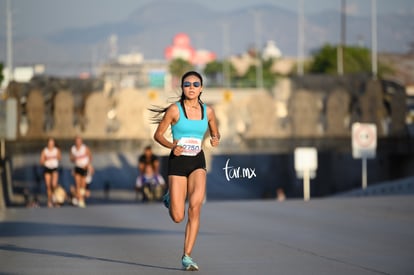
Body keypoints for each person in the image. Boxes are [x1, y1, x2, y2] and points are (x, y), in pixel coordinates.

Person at [152, 71, 220, 271]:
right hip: (178, 162)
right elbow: (158, 135)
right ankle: (170, 197)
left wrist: (215, 138)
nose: (191, 87)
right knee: (178, 216)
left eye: (195, 84)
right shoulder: (174, 110)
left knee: (196, 207)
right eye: (187, 84)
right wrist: (171, 146)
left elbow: (215, 133)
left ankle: (187, 256)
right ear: (182, 87)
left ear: (201, 88)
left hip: (197, 161)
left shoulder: (208, 112)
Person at [70, 136, 92, 208]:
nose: (78, 142)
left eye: (79, 141)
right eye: (77, 141)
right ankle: (80, 200)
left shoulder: (85, 148)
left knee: (83, 186)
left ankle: (81, 198)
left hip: (84, 167)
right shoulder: (73, 149)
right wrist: (74, 158)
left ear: (81, 141)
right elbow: (71, 159)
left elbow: (90, 157)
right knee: (77, 185)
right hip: (77, 167)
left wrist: (88, 165)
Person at [39, 137, 62, 208]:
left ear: (54, 144)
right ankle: (50, 200)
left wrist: (55, 157)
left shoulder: (56, 150)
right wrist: (45, 160)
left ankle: (55, 199)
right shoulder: (45, 151)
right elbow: (41, 161)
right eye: (49, 143)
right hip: (47, 169)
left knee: (54, 185)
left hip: (54, 168)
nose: (50, 145)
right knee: (48, 186)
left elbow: (59, 158)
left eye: (52, 143)